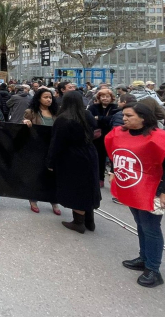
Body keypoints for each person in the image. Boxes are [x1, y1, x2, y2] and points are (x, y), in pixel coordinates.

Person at [106, 103, 165, 288]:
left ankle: (153, 269)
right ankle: (144, 258)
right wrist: (114, 171)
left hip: (152, 189)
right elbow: (116, 152)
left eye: (129, 115)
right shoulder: (119, 133)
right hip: (132, 188)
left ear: (143, 118)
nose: (124, 118)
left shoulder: (159, 138)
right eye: (124, 115)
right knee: (140, 224)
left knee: (150, 228)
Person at [46, 92, 101, 234]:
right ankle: (89, 221)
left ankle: (78, 222)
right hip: (89, 152)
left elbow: (56, 142)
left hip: (71, 156)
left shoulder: (63, 118)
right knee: (88, 185)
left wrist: (50, 162)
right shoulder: (87, 114)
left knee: (75, 188)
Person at [23, 88, 62, 216]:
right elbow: (21, 128)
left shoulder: (56, 112)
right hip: (37, 148)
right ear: (39, 98)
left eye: (50, 97)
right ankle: (33, 199)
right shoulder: (31, 112)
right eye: (45, 97)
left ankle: (54, 200)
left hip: (53, 148)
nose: (49, 100)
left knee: (53, 176)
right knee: (37, 174)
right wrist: (26, 122)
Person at [88, 89, 119, 187]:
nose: (105, 98)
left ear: (111, 98)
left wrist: (99, 118)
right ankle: (99, 178)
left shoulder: (115, 107)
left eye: (107, 96)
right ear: (99, 98)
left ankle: (115, 180)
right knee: (99, 159)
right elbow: (90, 119)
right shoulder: (93, 107)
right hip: (98, 138)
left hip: (112, 136)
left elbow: (114, 118)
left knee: (114, 159)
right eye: (103, 96)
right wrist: (104, 119)